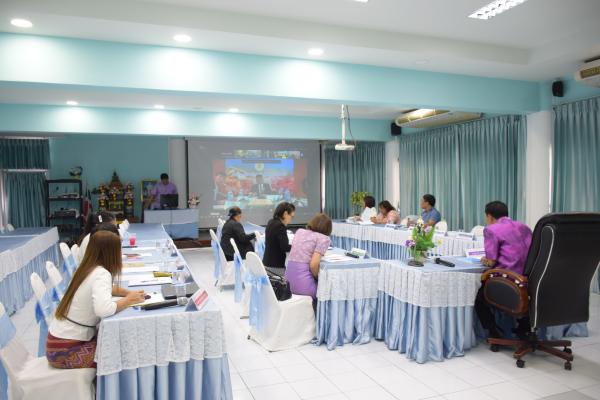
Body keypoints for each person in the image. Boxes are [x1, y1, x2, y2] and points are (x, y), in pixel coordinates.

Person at [46, 231, 146, 369]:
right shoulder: (101, 274)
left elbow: (107, 288)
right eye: (119, 250)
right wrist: (128, 300)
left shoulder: (87, 267)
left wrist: (128, 293)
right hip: (66, 353)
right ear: (110, 253)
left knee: (119, 342)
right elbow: (103, 310)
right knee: (124, 351)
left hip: (57, 345)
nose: (121, 254)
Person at [475, 201, 533, 338]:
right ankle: (524, 328)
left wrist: (484, 259)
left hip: (509, 280)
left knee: (479, 300)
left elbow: (491, 261)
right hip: (530, 280)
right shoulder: (524, 227)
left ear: (489, 216)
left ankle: (494, 333)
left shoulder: (491, 229)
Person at [285, 213, 332, 299]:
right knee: (329, 291)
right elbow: (313, 265)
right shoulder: (324, 238)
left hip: (288, 282)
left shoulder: (299, 232)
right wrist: (318, 278)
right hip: (304, 286)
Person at [263, 202, 296, 271]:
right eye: (291, 217)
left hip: (266, 263)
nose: (291, 220)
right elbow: (285, 247)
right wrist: (297, 247)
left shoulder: (271, 222)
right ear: (285, 214)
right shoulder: (280, 226)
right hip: (275, 267)